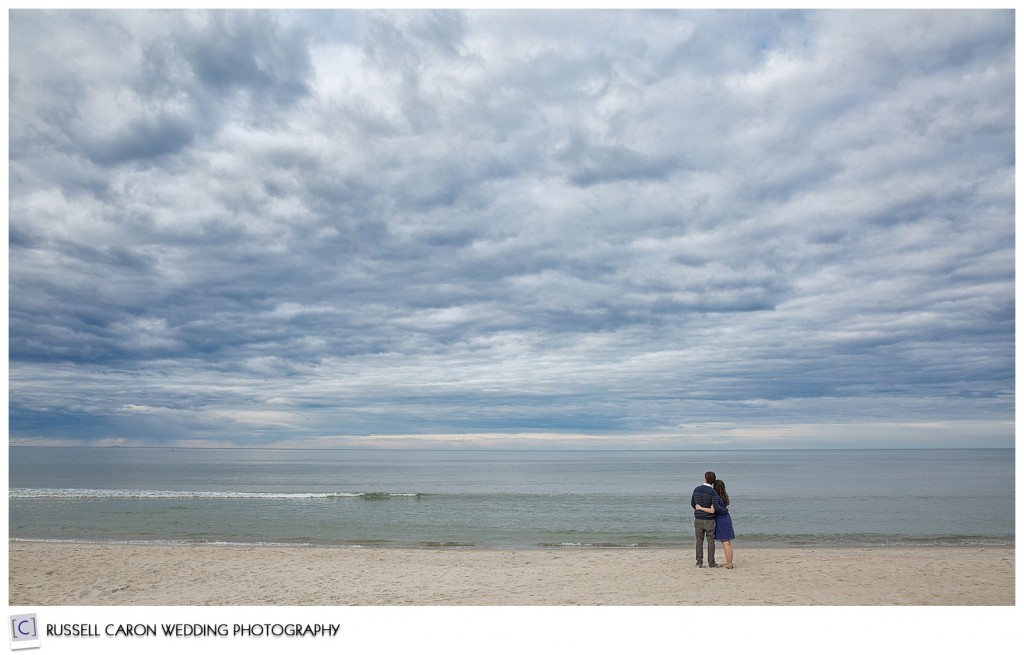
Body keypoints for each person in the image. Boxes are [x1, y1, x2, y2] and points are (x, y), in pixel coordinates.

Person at [690, 471, 728, 568]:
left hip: (698, 518)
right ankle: (711, 562)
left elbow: (692, 503)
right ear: (713, 481)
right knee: (710, 541)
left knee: (699, 540)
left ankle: (699, 562)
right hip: (709, 520)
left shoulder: (697, 489)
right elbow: (716, 507)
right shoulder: (713, 492)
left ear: (705, 478)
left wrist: (698, 509)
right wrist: (725, 510)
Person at [695, 479, 735, 569]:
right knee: (728, 543)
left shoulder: (716, 497)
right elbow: (725, 507)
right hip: (727, 518)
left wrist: (700, 508)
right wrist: (725, 510)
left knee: (725, 543)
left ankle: (729, 564)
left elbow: (712, 510)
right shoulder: (725, 497)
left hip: (721, 520)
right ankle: (729, 562)